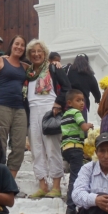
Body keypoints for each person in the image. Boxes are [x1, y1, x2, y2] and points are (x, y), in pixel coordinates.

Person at [23, 39, 71, 199]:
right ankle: (42, 184)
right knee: (36, 150)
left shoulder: (53, 68)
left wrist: (58, 104)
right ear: (29, 55)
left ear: (45, 53)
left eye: (39, 51)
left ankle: (56, 186)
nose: (36, 54)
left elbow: (67, 88)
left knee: (52, 149)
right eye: (33, 52)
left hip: (50, 110)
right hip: (32, 112)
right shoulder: (28, 74)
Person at [0, 35, 27, 178]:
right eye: (17, 44)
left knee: (19, 146)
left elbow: (42, 64)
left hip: (19, 109)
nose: (19, 47)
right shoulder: (0, 60)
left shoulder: (25, 67)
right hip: (0, 106)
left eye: (22, 45)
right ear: (11, 45)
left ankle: (10, 179)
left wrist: (55, 62)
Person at [61, 89, 94, 214]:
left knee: (73, 176)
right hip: (75, 148)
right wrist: (90, 125)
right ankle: (71, 206)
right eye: (78, 100)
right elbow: (84, 127)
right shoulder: (77, 113)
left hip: (66, 149)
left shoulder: (65, 115)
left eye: (82, 100)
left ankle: (72, 205)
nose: (81, 103)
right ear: (69, 102)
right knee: (75, 177)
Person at [66, 54, 101, 122]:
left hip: (69, 100)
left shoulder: (69, 70)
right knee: (82, 124)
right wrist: (97, 99)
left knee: (69, 124)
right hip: (82, 102)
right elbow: (96, 91)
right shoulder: (90, 75)